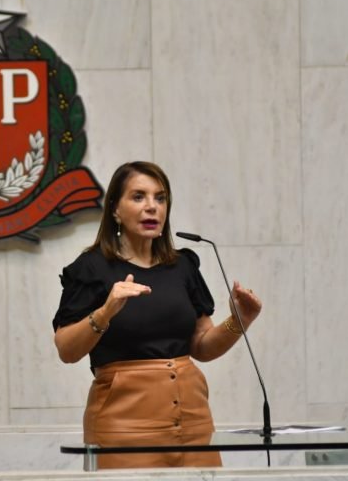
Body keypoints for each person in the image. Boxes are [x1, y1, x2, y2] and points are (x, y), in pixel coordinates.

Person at [52, 161, 262, 469]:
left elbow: (202, 347)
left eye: (160, 198)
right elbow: (66, 350)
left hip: (193, 422)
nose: (152, 207)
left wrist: (239, 320)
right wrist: (106, 311)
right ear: (115, 209)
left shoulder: (183, 266)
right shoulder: (92, 268)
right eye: (138, 197)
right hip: (123, 427)